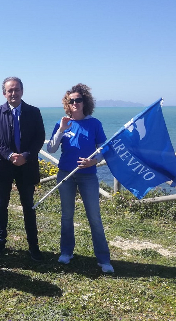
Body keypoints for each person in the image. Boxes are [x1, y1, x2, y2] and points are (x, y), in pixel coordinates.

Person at [46, 83, 114, 273]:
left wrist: (94, 161)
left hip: (88, 177)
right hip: (65, 176)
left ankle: (103, 259)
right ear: (67, 103)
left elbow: (104, 148)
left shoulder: (94, 124)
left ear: (85, 102)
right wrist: (61, 129)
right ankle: (66, 252)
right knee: (67, 216)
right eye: (71, 100)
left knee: (95, 218)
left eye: (78, 100)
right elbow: (50, 149)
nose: (75, 103)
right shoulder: (62, 124)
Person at [0, 77, 45, 261]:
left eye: (16, 89)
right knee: (2, 205)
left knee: (28, 206)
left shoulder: (34, 112)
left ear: (22, 91)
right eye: (10, 90)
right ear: (4, 93)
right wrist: (10, 155)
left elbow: (39, 137)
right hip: (4, 166)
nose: (13, 93)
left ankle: (33, 246)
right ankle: (0, 242)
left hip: (27, 167)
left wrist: (25, 156)